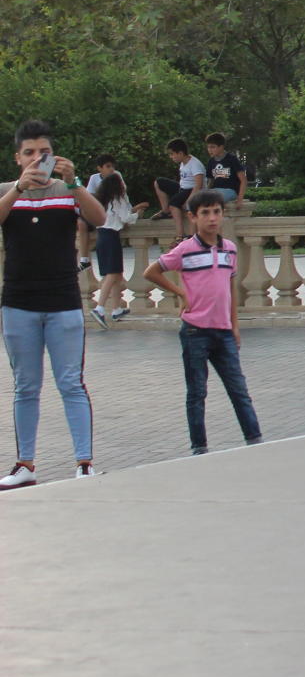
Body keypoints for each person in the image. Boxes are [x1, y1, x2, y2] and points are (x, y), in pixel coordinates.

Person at [0, 120, 107, 489]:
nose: (36, 159)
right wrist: (17, 188)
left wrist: (76, 182)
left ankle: (84, 462)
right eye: (28, 153)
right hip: (18, 303)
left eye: (42, 152)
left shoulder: (67, 190)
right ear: (17, 157)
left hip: (63, 302)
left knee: (71, 384)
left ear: (53, 155)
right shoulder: (7, 192)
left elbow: (99, 218)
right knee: (25, 386)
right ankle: (25, 464)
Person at [144, 190, 263, 455]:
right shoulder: (185, 250)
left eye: (217, 212)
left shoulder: (229, 249)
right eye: (205, 213)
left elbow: (230, 289)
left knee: (239, 390)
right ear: (193, 217)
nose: (212, 219)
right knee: (197, 393)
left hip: (223, 332)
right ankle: (199, 447)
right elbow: (151, 272)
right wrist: (181, 293)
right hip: (195, 331)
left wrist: (235, 326)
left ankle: (254, 439)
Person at [89, 169, 146, 327]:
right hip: (111, 237)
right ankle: (100, 308)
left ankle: (116, 308)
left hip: (102, 236)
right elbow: (125, 218)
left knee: (116, 273)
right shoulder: (118, 199)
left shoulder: (102, 200)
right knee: (113, 274)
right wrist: (138, 214)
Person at [151, 138, 206, 236]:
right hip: (183, 188)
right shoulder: (183, 162)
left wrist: (189, 200)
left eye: (172, 154)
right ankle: (165, 211)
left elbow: (199, 185)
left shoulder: (195, 164)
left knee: (173, 204)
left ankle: (181, 235)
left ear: (180, 153)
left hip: (193, 190)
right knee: (158, 182)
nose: (171, 157)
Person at [203, 133, 247, 206]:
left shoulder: (232, 159)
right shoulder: (211, 161)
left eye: (213, 147)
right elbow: (211, 181)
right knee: (198, 199)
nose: (209, 150)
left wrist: (240, 198)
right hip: (215, 190)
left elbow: (243, 180)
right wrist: (206, 192)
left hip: (230, 191)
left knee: (214, 200)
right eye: (208, 147)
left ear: (221, 147)